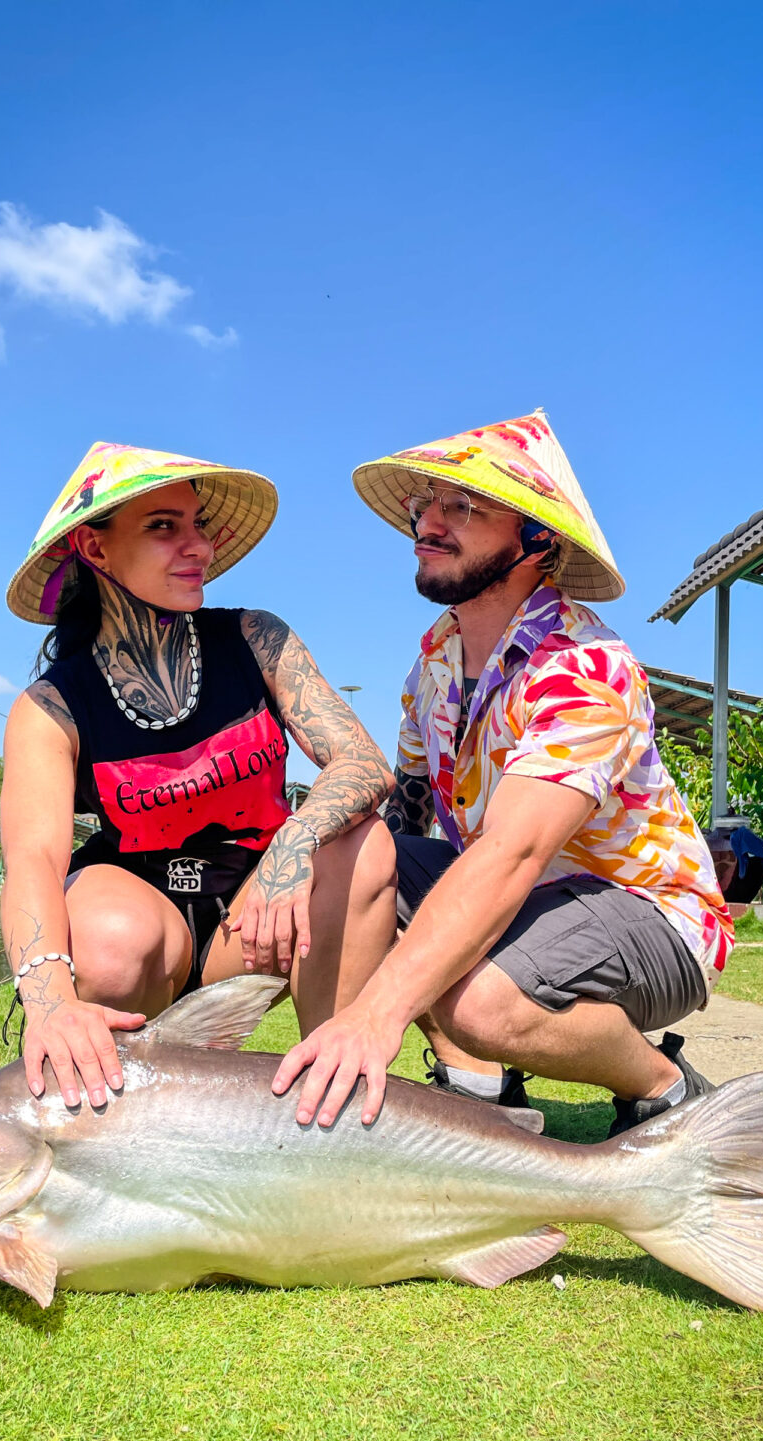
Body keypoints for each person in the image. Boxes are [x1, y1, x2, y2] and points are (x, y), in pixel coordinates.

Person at [272, 413, 733, 1137]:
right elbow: (405, 817)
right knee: (355, 850)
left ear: (537, 539)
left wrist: (380, 1012)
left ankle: (663, 1085)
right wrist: (343, 888)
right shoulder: (435, 661)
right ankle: (385, 1095)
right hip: (523, 901)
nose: (427, 521)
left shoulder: (581, 668)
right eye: (424, 503)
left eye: (462, 506)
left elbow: (513, 852)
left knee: (474, 1002)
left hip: (648, 913)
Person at [1, 440, 397, 1109]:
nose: (200, 547)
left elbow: (362, 762)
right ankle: (111, 1109)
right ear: (95, 550)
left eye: (199, 526)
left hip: (257, 919)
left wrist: (295, 844)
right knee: (106, 937)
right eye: (164, 527)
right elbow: (34, 860)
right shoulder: (51, 706)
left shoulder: (255, 639)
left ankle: (334, 1098)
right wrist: (49, 1003)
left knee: (364, 842)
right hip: (139, 928)